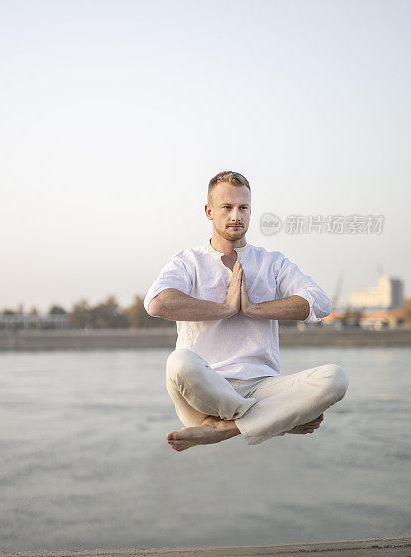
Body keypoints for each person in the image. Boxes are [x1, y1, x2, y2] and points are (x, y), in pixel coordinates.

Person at [144, 170, 349, 450]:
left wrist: (252, 308)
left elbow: (320, 303)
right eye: (227, 208)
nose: (235, 216)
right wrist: (226, 308)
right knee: (178, 362)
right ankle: (276, 420)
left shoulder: (272, 263)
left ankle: (224, 429)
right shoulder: (187, 261)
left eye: (243, 208)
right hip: (203, 389)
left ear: (251, 211)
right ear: (209, 211)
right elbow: (157, 302)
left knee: (335, 378)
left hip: (262, 387)